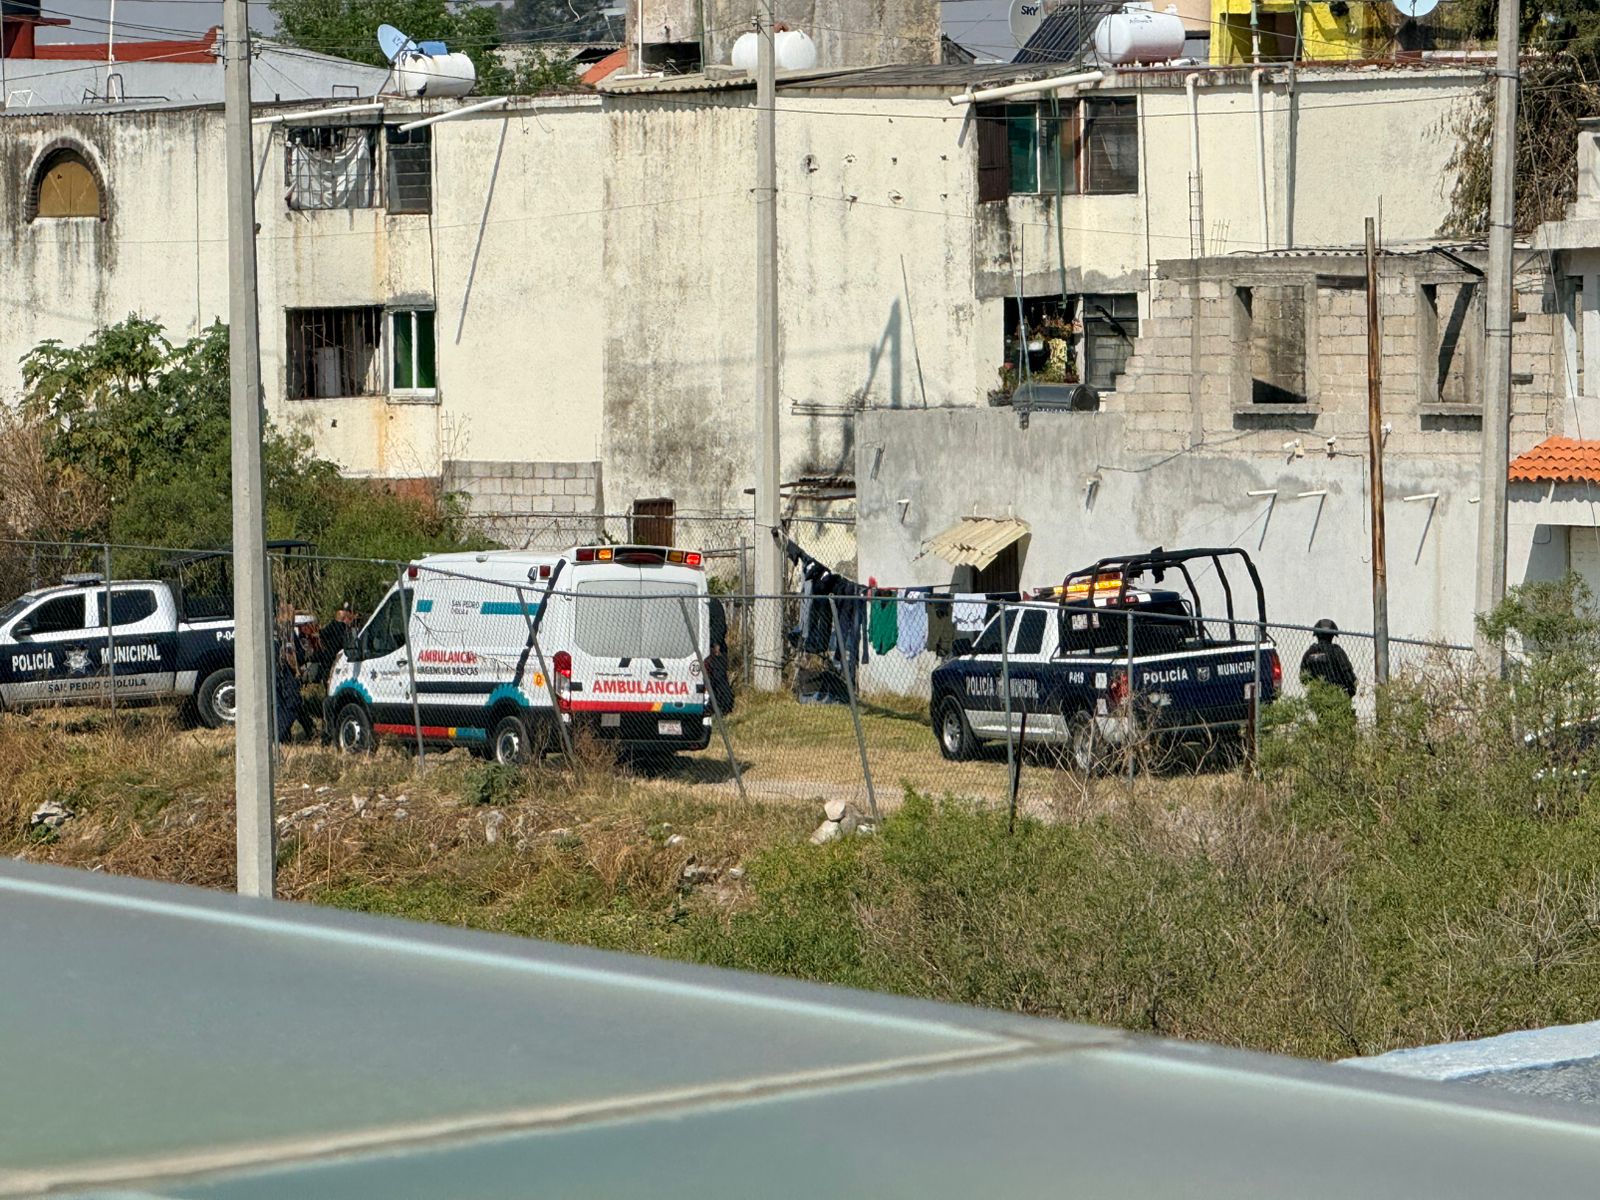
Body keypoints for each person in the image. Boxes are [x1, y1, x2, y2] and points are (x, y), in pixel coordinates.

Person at [1299, 617, 1358, 699]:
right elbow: (1348, 674)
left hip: (1316, 697)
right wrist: (1350, 691)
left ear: (1317, 635)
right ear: (1332, 636)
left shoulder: (1310, 653)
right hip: (1337, 696)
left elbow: (1303, 677)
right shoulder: (1337, 652)